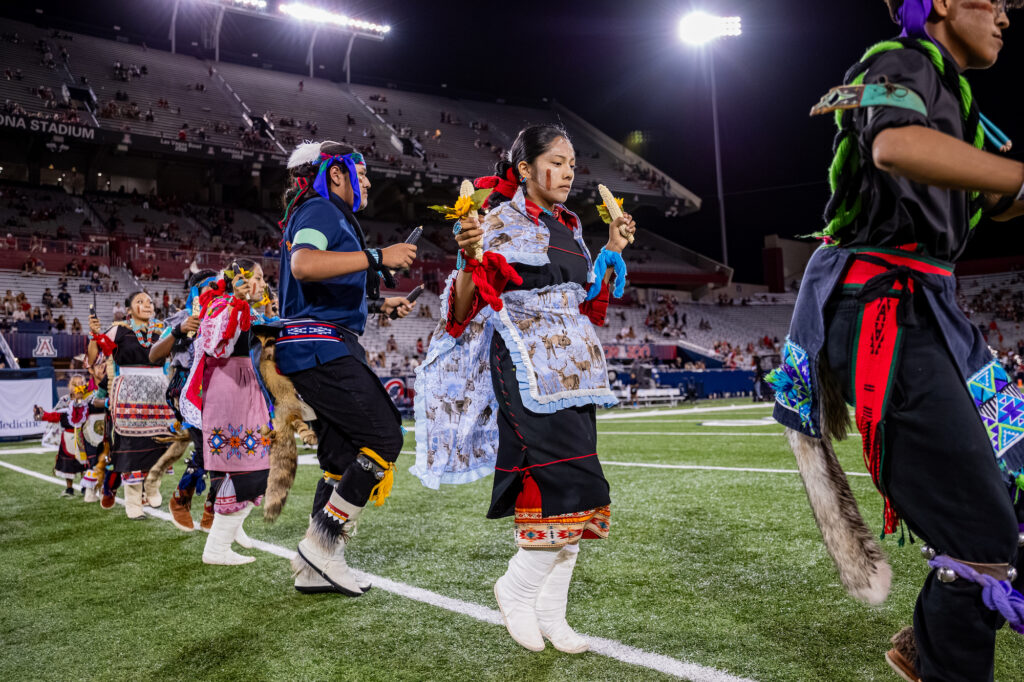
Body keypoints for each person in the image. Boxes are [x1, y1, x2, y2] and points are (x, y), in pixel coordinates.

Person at [765, 2, 1024, 680]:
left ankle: (927, 642)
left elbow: (998, 198)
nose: (1004, 16)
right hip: (886, 309)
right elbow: (895, 147)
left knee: (1018, 465)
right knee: (981, 531)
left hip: (930, 306)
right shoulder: (901, 61)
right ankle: (941, 657)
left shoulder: (955, 97)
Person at [414, 124, 635, 653]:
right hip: (525, 368)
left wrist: (612, 247)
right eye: (556, 162)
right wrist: (468, 260)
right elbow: (460, 312)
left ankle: (552, 616)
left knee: (575, 494)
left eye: (572, 165)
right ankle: (515, 590)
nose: (568, 173)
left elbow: (587, 307)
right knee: (566, 483)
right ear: (525, 168)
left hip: (575, 374)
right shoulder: (494, 221)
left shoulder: (571, 227)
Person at [275, 140, 417, 595]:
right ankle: (321, 546)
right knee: (385, 437)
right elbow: (304, 264)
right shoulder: (320, 210)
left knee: (340, 458)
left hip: (314, 343)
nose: (369, 181)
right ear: (336, 173)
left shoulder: (325, 214)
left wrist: (378, 305)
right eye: (363, 172)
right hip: (320, 347)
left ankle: (314, 568)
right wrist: (378, 256)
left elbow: (321, 288)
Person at [179, 260, 273, 565]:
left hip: (239, 387)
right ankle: (217, 548)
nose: (263, 284)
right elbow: (217, 345)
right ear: (239, 279)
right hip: (231, 389)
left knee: (240, 464)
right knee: (248, 466)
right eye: (258, 277)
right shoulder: (220, 305)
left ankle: (231, 529)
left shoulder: (241, 307)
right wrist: (236, 302)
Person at [88, 292, 175, 518]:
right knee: (131, 446)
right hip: (129, 397)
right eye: (140, 301)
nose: (147, 305)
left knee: (159, 443)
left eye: (149, 302)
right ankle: (133, 503)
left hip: (158, 395)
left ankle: (152, 486)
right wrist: (94, 335)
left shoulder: (163, 331)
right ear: (128, 310)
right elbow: (95, 357)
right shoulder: (118, 330)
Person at [147, 269, 217, 532]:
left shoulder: (226, 314)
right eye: (211, 286)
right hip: (189, 389)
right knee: (207, 449)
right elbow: (154, 354)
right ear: (196, 291)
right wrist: (180, 329)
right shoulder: (184, 316)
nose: (217, 290)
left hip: (221, 387)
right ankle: (181, 499)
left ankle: (212, 508)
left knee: (223, 449)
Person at [33, 376, 104, 499]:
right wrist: (41, 415)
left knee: (85, 463)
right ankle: (69, 488)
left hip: (84, 435)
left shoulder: (89, 398)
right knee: (67, 463)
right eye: (76, 384)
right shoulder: (65, 400)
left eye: (82, 383)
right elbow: (55, 415)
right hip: (67, 437)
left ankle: (85, 486)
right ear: (71, 386)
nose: (79, 386)